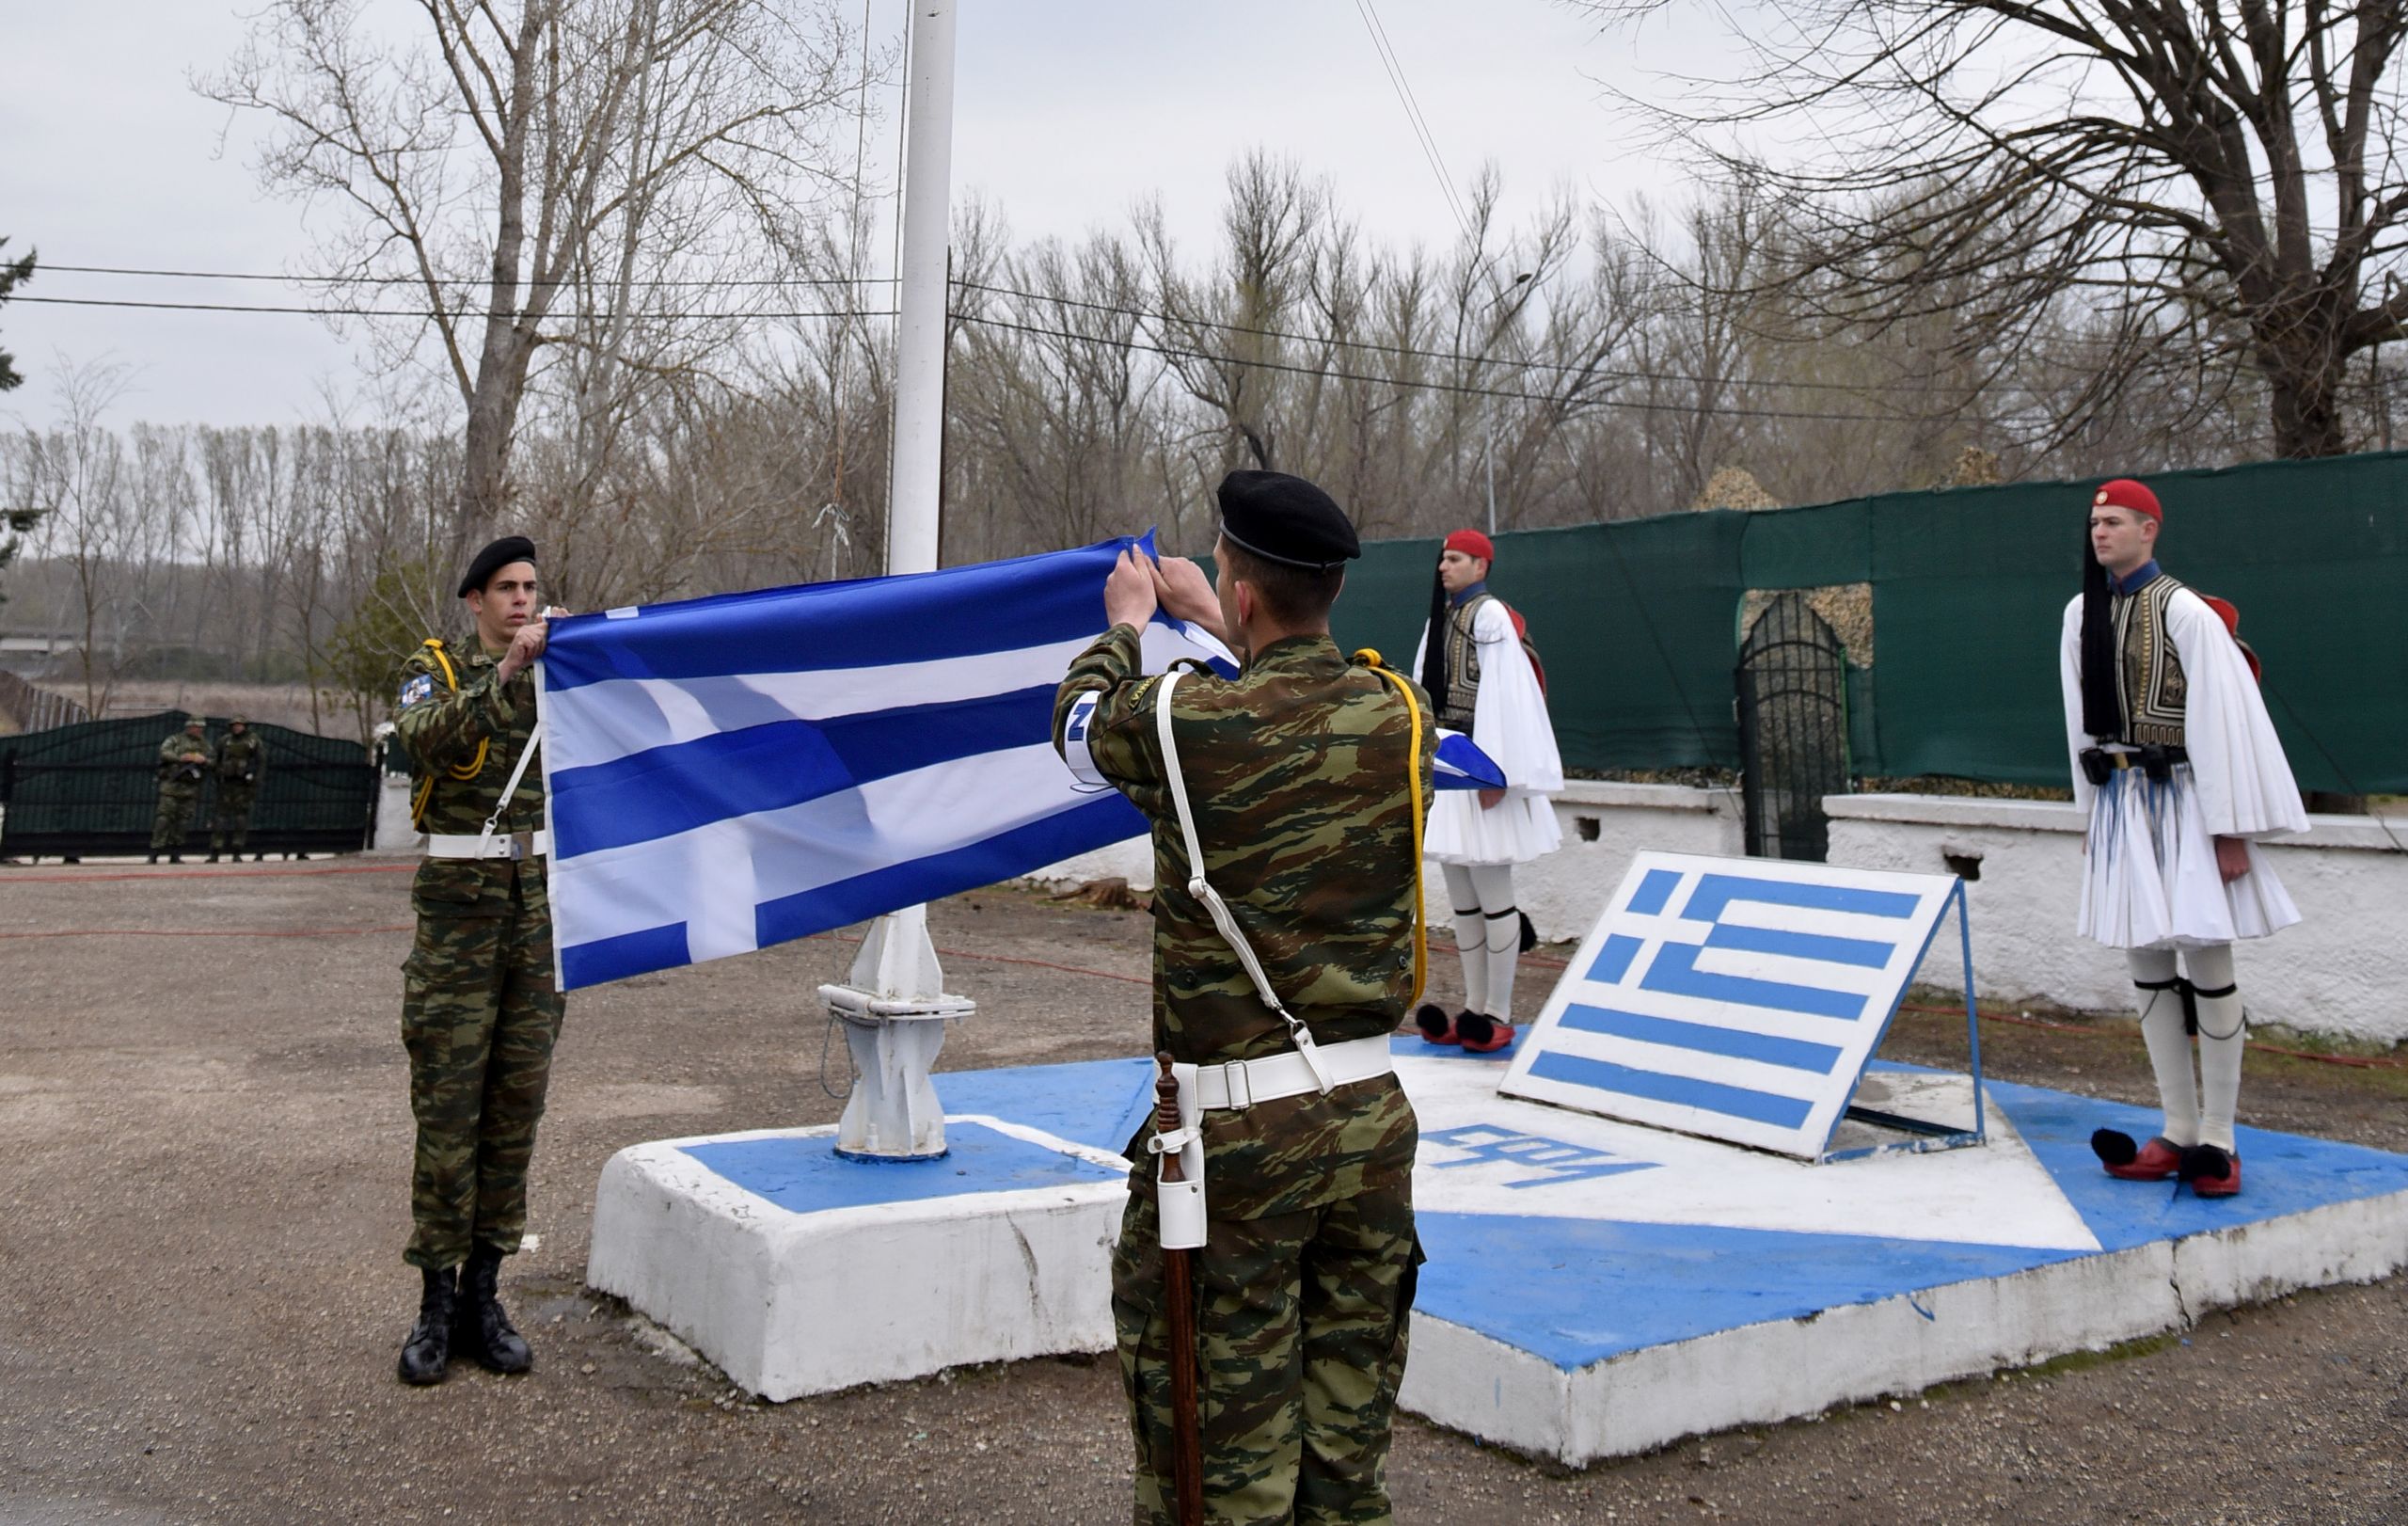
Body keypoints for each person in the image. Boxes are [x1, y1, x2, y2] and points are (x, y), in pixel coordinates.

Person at [1054, 470, 1434, 1525]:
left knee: (1223, 1457)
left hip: (1239, 1137)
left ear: (1246, 590)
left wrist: (1129, 625)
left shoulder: (1189, 723)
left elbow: (1080, 728)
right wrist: (1222, 615)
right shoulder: (1399, 713)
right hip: (1369, 1124)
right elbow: (1290, 706)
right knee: (1345, 1447)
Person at [2061, 478, 2305, 1199]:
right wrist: (2091, 818)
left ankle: (2221, 1141)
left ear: (2149, 530)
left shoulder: (2188, 613)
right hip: (2124, 803)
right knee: (2145, 958)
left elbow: (2227, 724)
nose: (2100, 533)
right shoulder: (2082, 612)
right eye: (2095, 522)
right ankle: (2177, 1129)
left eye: (2114, 522)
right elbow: (2079, 717)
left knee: (2206, 957)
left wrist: (2229, 831)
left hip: (2188, 800)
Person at [390, 535, 565, 1384]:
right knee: (449, 1115)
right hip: (459, 918)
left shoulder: (561, 666)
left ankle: (485, 1297)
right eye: (506, 588)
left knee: (512, 1111)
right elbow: (419, 739)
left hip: (536, 917)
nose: (522, 600)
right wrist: (503, 678)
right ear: (475, 600)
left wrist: (576, 656)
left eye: (531, 587)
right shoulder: (439, 668)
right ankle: (434, 1305)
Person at [1409, 529, 1563, 1053]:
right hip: (1452, 770)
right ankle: (1475, 1008)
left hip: (1482, 774)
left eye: (1455, 559)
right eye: (1443, 558)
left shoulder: (1491, 616)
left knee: (1496, 902)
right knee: (1464, 904)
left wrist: (1497, 772)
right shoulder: (1443, 617)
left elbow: (1507, 696)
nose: (1444, 567)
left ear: (1482, 565)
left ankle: (1497, 1011)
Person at [150, 717, 210, 864]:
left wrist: (203, 760)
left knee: (183, 822)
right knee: (163, 820)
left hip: (190, 789)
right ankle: (155, 852)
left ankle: (175, 853)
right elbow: (164, 752)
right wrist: (181, 758)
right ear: (189, 727)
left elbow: (213, 759)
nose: (199, 730)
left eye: (201, 728)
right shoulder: (175, 740)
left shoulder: (204, 744)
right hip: (171, 787)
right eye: (197, 727)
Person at [209, 714, 266, 863]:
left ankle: (237, 849)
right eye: (234, 725)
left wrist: (255, 779)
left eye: (239, 725)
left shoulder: (253, 741)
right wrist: (218, 772)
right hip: (226, 784)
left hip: (243, 785)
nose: (237, 727)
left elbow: (261, 761)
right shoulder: (225, 740)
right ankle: (216, 849)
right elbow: (214, 758)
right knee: (220, 818)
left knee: (241, 818)